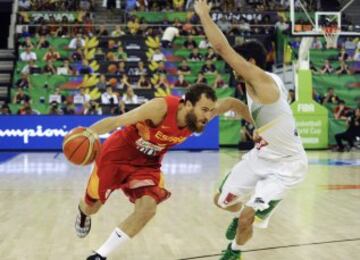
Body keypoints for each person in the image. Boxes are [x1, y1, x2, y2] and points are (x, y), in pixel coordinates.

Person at [74, 84, 252, 259]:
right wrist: (88, 134)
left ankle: (100, 255)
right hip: (116, 156)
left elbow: (231, 103)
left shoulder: (199, 116)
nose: (208, 116)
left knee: (148, 208)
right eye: (204, 109)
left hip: (147, 164)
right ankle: (83, 213)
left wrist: (262, 125)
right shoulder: (160, 108)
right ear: (188, 104)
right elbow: (117, 121)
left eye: (210, 111)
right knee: (92, 207)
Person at [194, 1, 308, 260]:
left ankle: (234, 252)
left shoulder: (261, 80)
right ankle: (244, 214)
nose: (234, 67)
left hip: (286, 166)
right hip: (262, 155)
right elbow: (238, 106)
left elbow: (222, 48)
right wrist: (212, 113)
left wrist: (203, 14)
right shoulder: (257, 87)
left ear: (251, 63)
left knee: (247, 218)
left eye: (239, 62)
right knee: (220, 201)